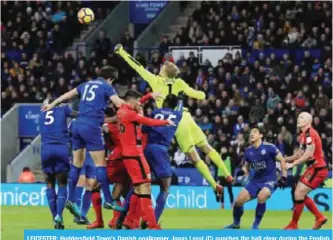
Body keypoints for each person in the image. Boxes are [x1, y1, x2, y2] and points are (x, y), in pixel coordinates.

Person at [115, 44, 231, 198]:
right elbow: (200, 96)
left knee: (194, 158)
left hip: (176, 121)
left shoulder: (155, 81)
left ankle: (214, 184)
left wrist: (122, 52)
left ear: (164, 72)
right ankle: (227, 174)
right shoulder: (180, 83)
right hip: (188, 117)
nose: (161, 67)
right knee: (207, 147)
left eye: (163, 67)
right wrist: (202, 92)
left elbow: (137, 66)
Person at [41, 66, 125, 218]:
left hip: (78, 125)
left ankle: (71, 200)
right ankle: (108, 199)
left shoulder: (85, 85)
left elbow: (66, 95)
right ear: (110, 78)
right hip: (92, 126)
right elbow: (119, 104)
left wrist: (51, 105)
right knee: (100, 164)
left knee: (76, 164)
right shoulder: (107, 87)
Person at [117, 90, 175, 229]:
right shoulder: (131, 114)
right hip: (135, 155)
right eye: (137, 101)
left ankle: (129, 222)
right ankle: (151, 224)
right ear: (131, 100)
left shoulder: (122, 110)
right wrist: (166, 121)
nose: (139, 103)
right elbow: (147, 121)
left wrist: (148, 96)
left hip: (128, 154)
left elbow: (137, 103)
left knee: (138, 188)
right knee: (145, 187)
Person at [224, 125, 287, 229]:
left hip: (270, 180)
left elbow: (282, 159)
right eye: (251, 132)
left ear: (261, 135)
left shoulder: (269, 147)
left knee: (262, 196)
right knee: (238, 202)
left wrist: (284, 176)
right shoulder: (248, 151)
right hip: (255, 181)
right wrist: (245, 172)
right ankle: (236, 224)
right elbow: (246, 165)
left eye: (255, 132)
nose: (251, 134)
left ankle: (255, 225)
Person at [142, 93, 184, 226]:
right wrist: (181, 99)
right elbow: (180, 108)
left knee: (139, 184)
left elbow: (144, 127)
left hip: (147, 149)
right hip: (160, 150)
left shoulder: (155, 112)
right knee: (165, 188)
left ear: (164, 102)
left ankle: (126, 218)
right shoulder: (177, 115)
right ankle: (153, 222)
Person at [284, 112, 328, 230]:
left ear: (308, 122)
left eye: (302, 117)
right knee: (298, 193)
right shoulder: (303, 135)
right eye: (298, 117)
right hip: (313, 168)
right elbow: (300, 154)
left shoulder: (309, 134)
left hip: (318, 169)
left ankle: (294, 224)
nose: (298, 118)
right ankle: (319, 217)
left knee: (298, 193)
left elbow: (308, 154)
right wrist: (285, 159)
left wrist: (292, 165)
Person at [39, 98, 77, 229]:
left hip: (46, 149)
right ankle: (59, 216)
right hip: (61, 148)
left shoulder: (42, 112)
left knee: (49, 183)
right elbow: (75, 114)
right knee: (62, 183)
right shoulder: (63, 108)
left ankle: (54, 217)